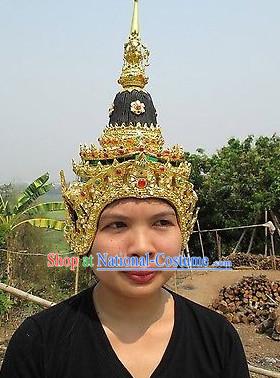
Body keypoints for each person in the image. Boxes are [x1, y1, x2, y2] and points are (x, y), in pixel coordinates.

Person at [0, 1, 250, 377]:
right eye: (116, 225)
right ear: (82, 232)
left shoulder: (218, 341)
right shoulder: (39, 344)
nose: (142, 248)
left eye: (162, 222)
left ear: (186, 226)